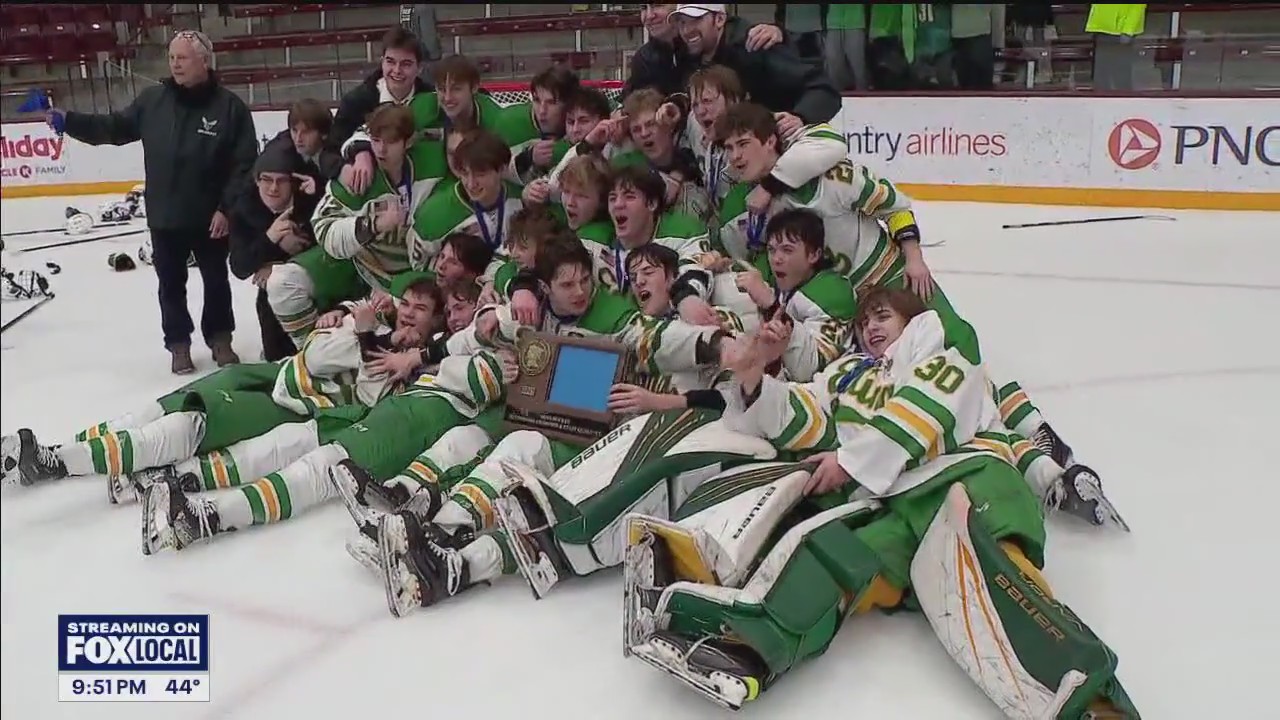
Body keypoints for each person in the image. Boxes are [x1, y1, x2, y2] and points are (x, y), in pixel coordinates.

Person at [620, 287, 1136, 716]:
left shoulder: (939, 351)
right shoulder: (845, 374)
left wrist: (852, 461)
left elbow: (930, 408)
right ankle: (750, 647)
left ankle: (1090, 698)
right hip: (891, 508)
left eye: (882, 315)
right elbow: (806, 418)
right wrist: (755, 380)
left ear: (911, 320)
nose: (870, 326)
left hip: (965, 480)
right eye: (864, 319)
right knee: (834, 556)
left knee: (986, 573)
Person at [3, 279, 443, 507]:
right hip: (276, 375)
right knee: (167, 403)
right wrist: (349, 320)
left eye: (420, 310)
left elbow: (350, 384)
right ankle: (66, 448)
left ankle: (57, 463)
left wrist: (359, 333)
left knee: (190, 422)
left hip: (292, 407)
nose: (407, 313)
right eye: (405, 303)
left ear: (434, 324)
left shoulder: (402, 362)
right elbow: (313, 350)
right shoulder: (373, 328)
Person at [46, 30, 257, 374]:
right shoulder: (152, 101)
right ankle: (178, 344)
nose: (175, 63)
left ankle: (220, 338)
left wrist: (226, 208)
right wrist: (70, 121)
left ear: (204, 61)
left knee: (216, 280)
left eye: (183, 57)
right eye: (172, 57)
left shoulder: (229, 108)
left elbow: (245, 164)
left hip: (211, 217)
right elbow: (113, 128)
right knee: (170, 285)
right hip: (165, 215)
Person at [270, 103, 445, 349]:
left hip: (419, 278)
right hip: (363, 267)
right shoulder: (358, 175)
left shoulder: (434, 162)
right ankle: (309, 352)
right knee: (282, 282)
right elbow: (323, 228)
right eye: (375, 140)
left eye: (391, 142)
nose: (381, 150)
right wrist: (372, 224)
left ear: (408, 142)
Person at [668, 4, 841, 125]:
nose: (687, 30)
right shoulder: (684, 55)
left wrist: (799, 118)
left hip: (777, 148)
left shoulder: (755, 47)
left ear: (720, 19)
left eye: (695, 20)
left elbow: (823, 88)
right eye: (682, 22)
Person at [229, 142, 321, 361]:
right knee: (269, 294)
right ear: (256, 180)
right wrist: (271, 238)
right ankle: (277, 358)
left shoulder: (311, 203)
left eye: (281, 181)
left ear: (293, 182)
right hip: (272, 291)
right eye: (266, 180)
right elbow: (239, 266)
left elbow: (331, 252)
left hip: (320, 283)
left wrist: (285, 265)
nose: (273, 188)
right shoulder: (244, 209)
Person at [623, 4, 784, 99]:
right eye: (643, 7)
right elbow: (632, 99)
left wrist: (781, 33)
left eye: (658, 4)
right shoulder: (644, 58)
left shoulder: (738, 41)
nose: (649, 15)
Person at [330, 27, 434, 157]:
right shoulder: (356, 102)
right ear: (382, 62)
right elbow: (331, 152)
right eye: (390, 62)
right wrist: (347, 166)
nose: (397, 70)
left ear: (419, 68)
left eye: (406, 64)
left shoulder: (433, 99)